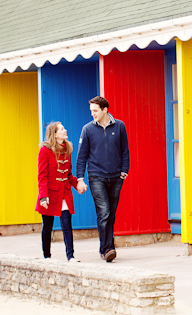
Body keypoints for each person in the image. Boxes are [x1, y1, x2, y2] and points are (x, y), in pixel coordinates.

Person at [76, 96, 130, 262]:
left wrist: (123, 172)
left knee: (110, 214)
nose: (93, 114)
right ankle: (108, 249)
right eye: (91, 111)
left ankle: (104, 248)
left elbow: (125, 151)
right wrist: (80, 178)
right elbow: (81, 156)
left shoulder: (120, 126)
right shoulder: (88, 129)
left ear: (105, 109)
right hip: (96, 176)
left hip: (115, 177)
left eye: (95, 111)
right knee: (104, 212)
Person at [36, 122, 87, 262]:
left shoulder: (68, 149)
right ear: (55, 134)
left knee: (67, 224)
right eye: (62, 129)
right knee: (47, 226)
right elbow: (42, 176)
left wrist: (78, 185)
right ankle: (47, 256)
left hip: (64, 193)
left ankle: (70, 256)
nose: (65, 130)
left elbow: (69, 174)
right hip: (49, 194)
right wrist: (43, 197)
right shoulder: (45, 151)